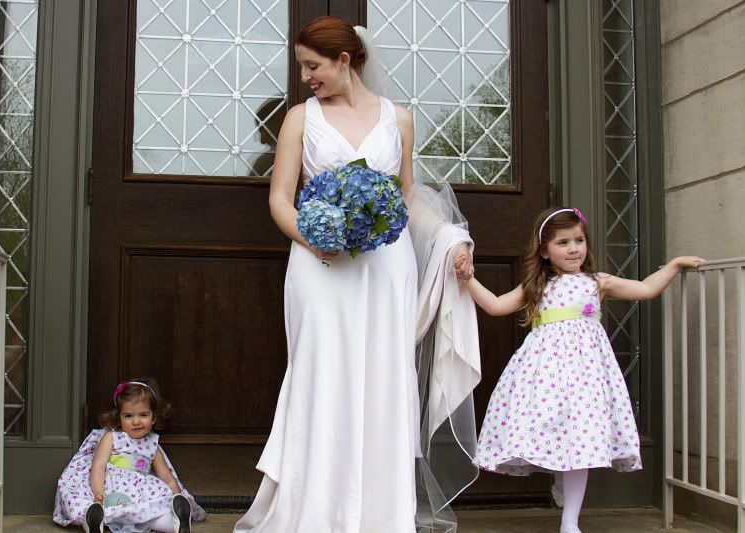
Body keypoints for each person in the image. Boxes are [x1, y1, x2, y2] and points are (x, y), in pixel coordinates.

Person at [234, 15, 479, 533]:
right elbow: (280, 200)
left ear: (344, 60)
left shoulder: (400, 119)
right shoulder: (300, 119)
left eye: (312, 66)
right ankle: (314, 507)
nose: (305, 77)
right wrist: (316, 239)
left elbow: (407, 198)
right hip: (319, 265)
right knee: (320, 371)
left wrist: (451, 238)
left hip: (387, 267)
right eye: (303, 67)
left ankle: (380, 512)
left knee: (383, 375)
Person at [459, 207, 704, 533]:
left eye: (579, 240)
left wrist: (674, 265)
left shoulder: (596, 282)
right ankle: (560, 481)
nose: (574, 248)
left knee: (580, 438)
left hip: (586, 374)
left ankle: (570, 521)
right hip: (545, 372)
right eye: (563, 243)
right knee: (548, 428)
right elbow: (495, 305)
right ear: (545, 251)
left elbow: (646, 289)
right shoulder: (537, 285)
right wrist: (468, 279)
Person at [53, 379, 205, 533]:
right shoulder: (112, 437)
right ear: (119, 418)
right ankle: (93, 520)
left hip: (142, 493)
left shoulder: (152, 444)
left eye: (143, 415)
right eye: (128, 416)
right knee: (97, 508)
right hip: (113, 490)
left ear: (153, 418)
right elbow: (98, 466)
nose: (136, 421)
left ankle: (178, 522)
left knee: (155, 511)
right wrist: (98, 491)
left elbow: (166, 476)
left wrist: (177, 496)